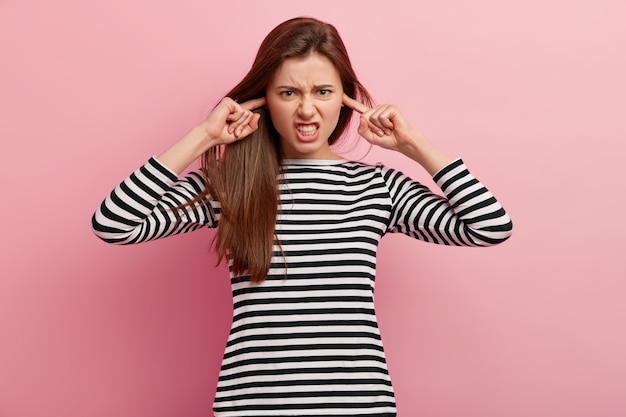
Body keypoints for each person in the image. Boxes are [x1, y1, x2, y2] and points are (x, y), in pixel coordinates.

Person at [92, 16, 512, 417]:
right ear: (264, 100)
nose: (307, 110)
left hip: (358, 406)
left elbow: (490, 226)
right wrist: (205, 135)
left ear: (346, 100)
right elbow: (115, 223)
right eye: (289, 93)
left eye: (323, 92)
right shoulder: (230, 186)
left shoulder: (378, 187)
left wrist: (413, 144)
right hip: (251, 407)